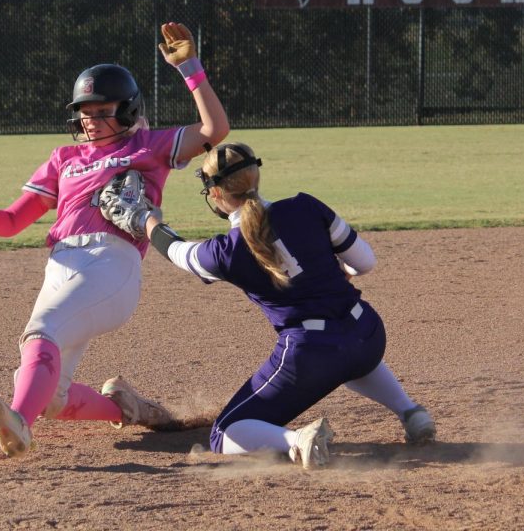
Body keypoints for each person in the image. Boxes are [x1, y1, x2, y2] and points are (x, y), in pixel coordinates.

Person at [0, 22, 228, 458]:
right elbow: (13, 220)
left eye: (103, 110)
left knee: (40, 335)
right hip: (61, 267)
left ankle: (18, 423)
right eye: (86, 111)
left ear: (127, 110)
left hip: (111, 263)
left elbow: (214, 129)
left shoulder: (148, 145)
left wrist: (190, 67)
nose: (92, 120)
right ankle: (130, 409)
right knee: (52, 396)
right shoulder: (64, 158)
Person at [99, 142, 436, 469]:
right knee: (352, 355)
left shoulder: (225, 252)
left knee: (225, 433)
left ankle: (298, 441)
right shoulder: (306, 206)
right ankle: (410, 412)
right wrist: (342, 274)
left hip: (312, 354)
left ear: (215, 194)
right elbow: (365, 262)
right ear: (255, 177)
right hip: (368, 332)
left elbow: (179, 253)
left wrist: (144, 218)